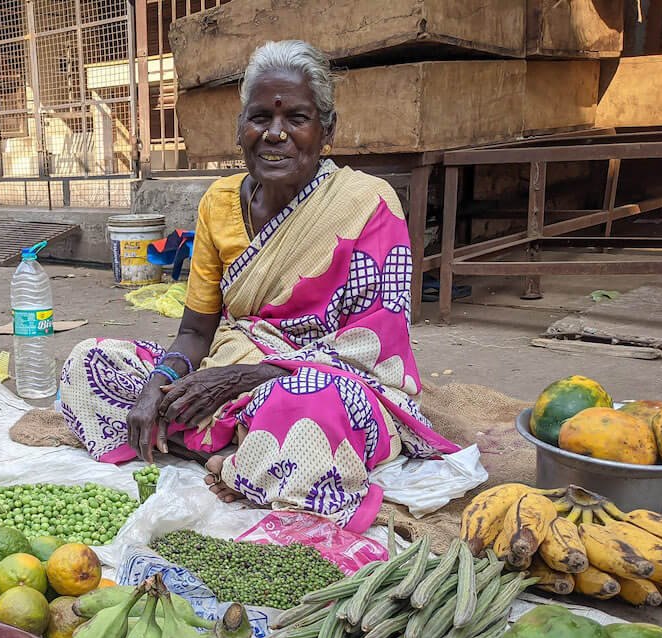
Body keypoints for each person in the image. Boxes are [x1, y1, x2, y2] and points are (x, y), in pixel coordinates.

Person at [59, 40, 457, 531]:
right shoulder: (218, 202)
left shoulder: (368, 204)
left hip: (323, 386)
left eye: (297, 118)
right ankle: (242, 451)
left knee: (311, 413)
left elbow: (373, 350)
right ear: (239, 129)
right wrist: (159, 387)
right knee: (90, 363)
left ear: (327, 130)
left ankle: (223, 447)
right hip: (228, 376)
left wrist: (249, 377)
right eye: (259, 118)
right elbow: (194, 334)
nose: (275, 134)